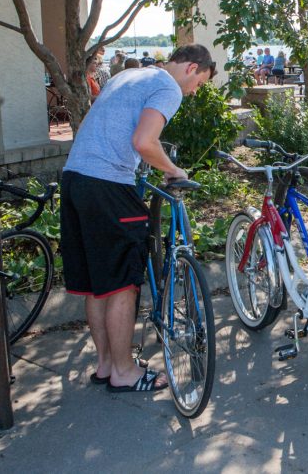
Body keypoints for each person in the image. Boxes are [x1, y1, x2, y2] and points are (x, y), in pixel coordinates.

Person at [60, 44, 215, 394]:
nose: (193, 93)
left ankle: (107, 364)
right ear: (191, 68)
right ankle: (125, 372)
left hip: (74, 179)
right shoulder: (168, 87)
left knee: (98, 284)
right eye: (200, 84)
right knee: (122, 285)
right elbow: (144, 141)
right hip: (108, 185)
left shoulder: (129, 75)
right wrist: (174, 169)